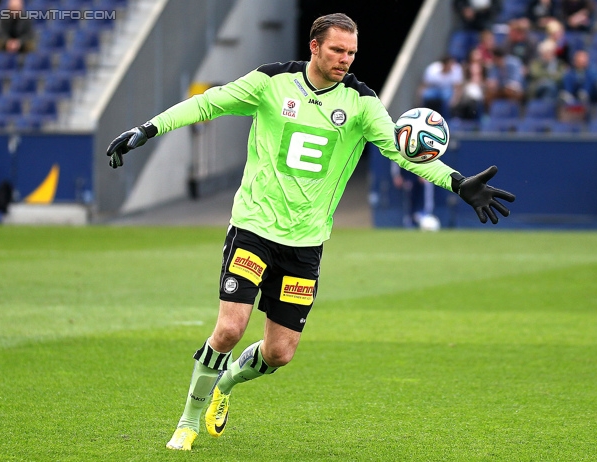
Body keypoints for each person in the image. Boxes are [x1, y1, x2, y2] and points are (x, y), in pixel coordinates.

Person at [105, 13, 516, 452]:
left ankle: (224, 385)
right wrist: (148, 128)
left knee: (279, 353)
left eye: (352, 52)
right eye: (338, 50)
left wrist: (456, 180)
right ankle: (186, 421)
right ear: (315, 46)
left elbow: (404, 153)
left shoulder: (361, 103)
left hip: (305, 244)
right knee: (230, 329)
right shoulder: (270, 82)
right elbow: (209, 103)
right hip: (254, 227)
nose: (345, 59)